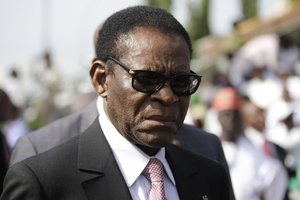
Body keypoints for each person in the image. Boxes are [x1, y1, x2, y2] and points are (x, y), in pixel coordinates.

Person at [1, 6, 231, 200]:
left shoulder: (210, 177)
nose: (168, 96)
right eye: (147, 79)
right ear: (101, 79)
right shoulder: (42, 183)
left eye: (181, 82)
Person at [212, 86, 288, 200]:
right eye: (226, 114)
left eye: (235, 115)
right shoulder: (209, 146)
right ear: (218, 117)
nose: (231, 119)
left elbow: (275, 175)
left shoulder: (254, 146)